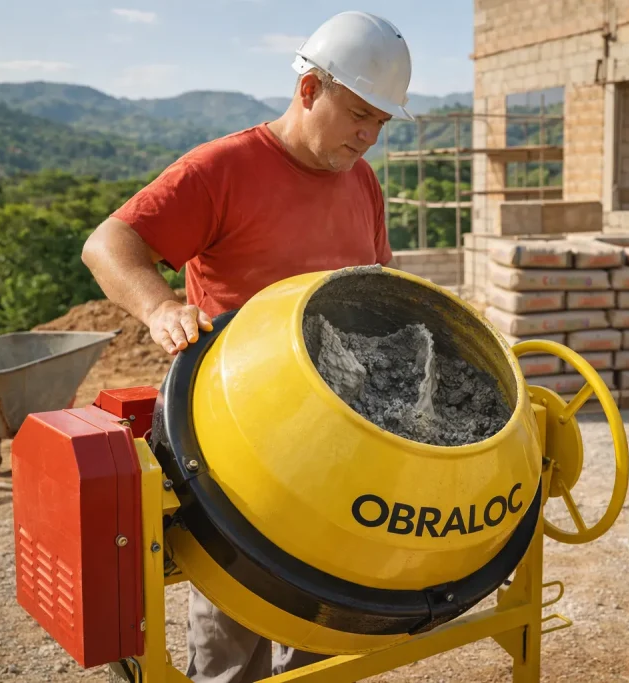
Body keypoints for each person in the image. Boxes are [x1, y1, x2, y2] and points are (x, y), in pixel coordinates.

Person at [81, 11, 414, 681]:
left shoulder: (362, 182)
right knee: (235, 636)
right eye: (358, 113)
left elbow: (381, 288)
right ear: (310, 89)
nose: (369, 136)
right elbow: (108, 244)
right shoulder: (222, 169)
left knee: (325, 628)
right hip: (239, 446)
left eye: (381, 122)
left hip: (339, 445)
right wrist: (160, 305)